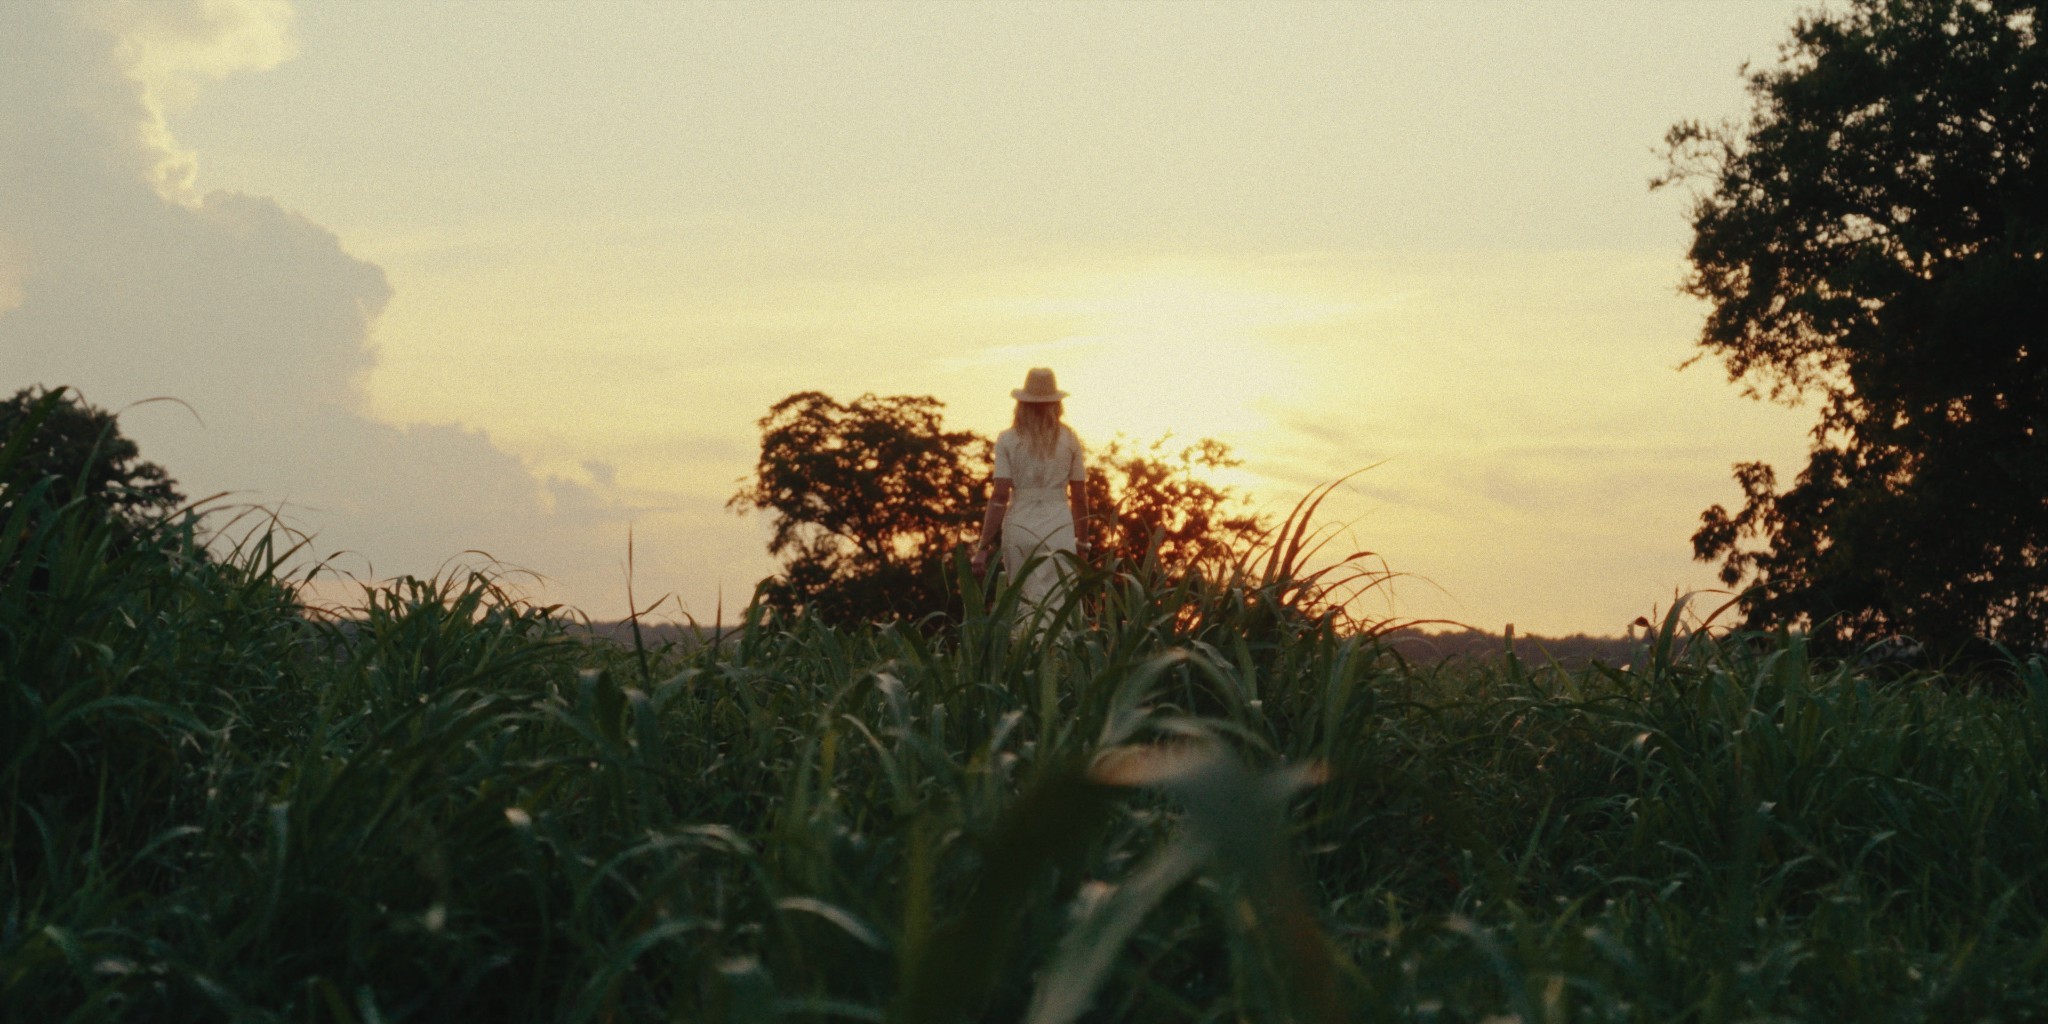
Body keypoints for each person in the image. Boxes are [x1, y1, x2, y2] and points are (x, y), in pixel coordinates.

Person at [971, 367, 1089, 626]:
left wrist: (983, 548)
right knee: (1060, 600)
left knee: (1024, 598)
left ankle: (1026, 656)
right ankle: (1059, 659)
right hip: (1059, 526)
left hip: (1019, 525)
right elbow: (1079, 496)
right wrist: (1082, 544)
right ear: (1056, 404)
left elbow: (1000, 495)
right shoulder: (1069, 439)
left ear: (1021, 403)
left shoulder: (1007, 439)